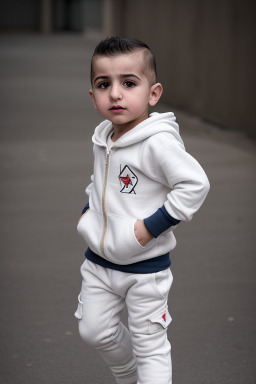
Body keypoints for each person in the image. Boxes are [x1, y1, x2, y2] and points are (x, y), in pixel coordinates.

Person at [75, 36, 210, 384]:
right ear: (93, 97)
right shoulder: (104, 136)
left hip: (145, 268)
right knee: (93, 331)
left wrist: (149, 228)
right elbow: (99, 182)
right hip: (99, 262)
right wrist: (88, 211)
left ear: (153, 93)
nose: (115, 94)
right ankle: (127, 373)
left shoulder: (157, 142)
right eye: (104, 84)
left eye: (129, 83)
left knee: (149, 343)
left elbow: (195, 184)